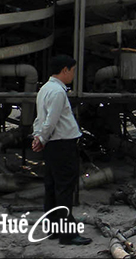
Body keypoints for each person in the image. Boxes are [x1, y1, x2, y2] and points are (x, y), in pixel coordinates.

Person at [32, 54, 92, 245]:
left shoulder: (44, 89)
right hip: (63, 144)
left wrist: (38, 136)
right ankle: (68, 234)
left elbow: (40, 118)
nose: (73, 74)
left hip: (52, 145)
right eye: (72, 70)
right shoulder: (58, 92)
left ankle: (53, 228)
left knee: (51, 187)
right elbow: (51, 120)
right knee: (65, 188)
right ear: (65, 70)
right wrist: (42, 137)